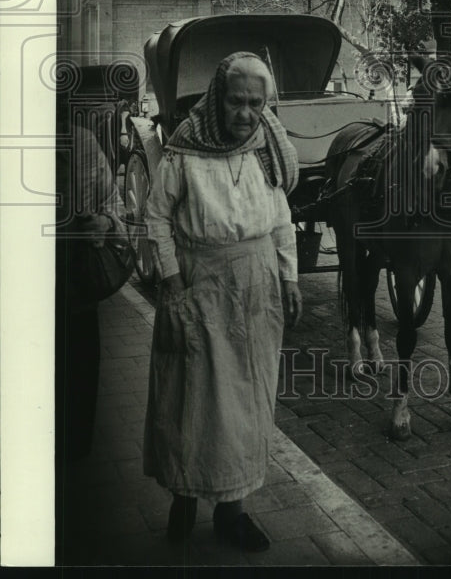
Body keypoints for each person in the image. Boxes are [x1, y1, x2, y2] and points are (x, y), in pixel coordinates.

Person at [143, 52, 303, 552]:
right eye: (237, 101)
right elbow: (156, 218)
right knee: (193, 401)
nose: (246, 113)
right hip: (199, 286)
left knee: (246, 405)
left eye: (256, 104)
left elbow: (280, 217)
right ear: (219, 98)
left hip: (256, 291)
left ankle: (233, 513)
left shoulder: (265, 150)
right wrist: (172, 283)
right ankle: (185, 496)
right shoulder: (183, 152)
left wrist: (290, 279)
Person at [56, 118, 127, 463]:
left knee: (79, 389)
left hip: (76, 293)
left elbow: (114, 205)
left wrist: (105, 223)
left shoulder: (83, 143)